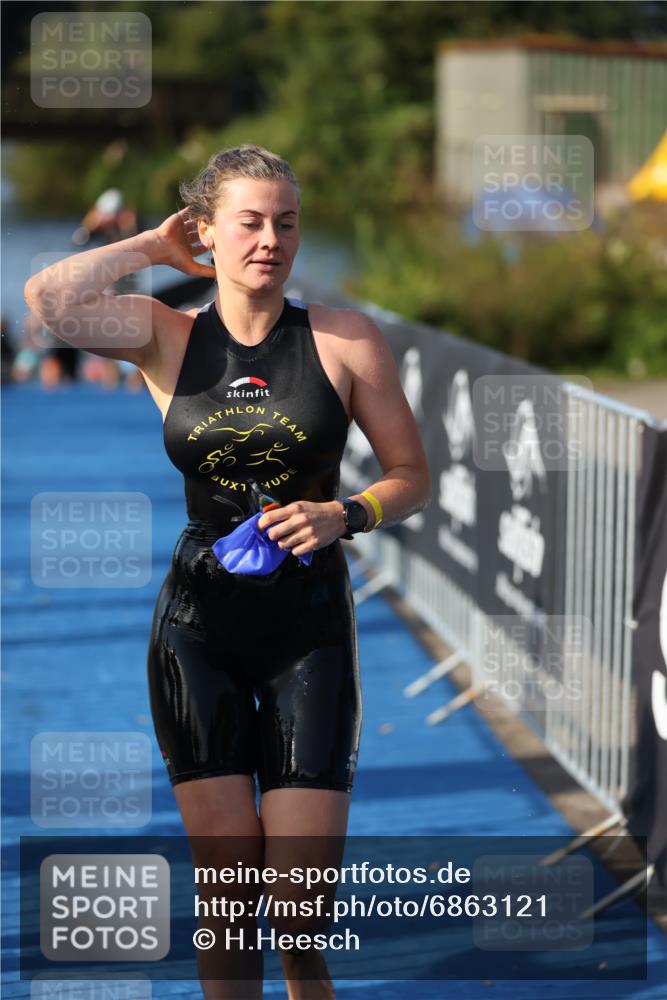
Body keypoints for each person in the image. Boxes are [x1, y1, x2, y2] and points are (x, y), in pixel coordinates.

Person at [23, 144, 432, 999]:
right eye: (248, 222)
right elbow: (48, 300)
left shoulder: (344, 339)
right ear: (206, 230)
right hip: (196, 627)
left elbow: (410, 475)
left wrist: (346, 513)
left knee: (299, 912)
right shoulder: (165, 336)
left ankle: (301, 966)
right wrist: (150, 246)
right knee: (229, 891)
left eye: (286, 222)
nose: (270, 240)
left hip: (308, 629)